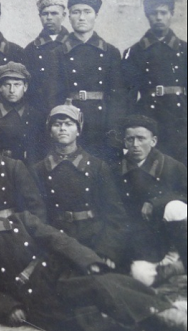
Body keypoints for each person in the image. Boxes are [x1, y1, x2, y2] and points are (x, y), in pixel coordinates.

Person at [0, 186, 187, 331]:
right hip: (34, 297)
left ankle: (172, 317)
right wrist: (8, 308)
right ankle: (156, 316)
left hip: (58, 273)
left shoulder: (19, 221)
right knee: (90, 322)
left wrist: (88, 260)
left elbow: (58, 239)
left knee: (104, 285)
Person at [31, 101, 129, 270]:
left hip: (94, 241)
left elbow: (116, 215)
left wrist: (107, 251)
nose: (62, 128)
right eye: (57, 124)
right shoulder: (39, 170)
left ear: (78, 130)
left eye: (69, 124)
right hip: (58, 242)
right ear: (50, 132)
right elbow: (38, 217)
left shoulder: (97, 167)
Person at [115, 115, 187, 285]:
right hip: (145, 242)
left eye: (141, 139)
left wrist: (157, 203)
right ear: (124, 142)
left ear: (153, 141)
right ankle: (174, 268)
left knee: (176, 207)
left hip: (174, 237)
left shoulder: (172, 166)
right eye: (130, 139)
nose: (135, 144)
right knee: (140, 275)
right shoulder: (115, 170)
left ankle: (181, 260)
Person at [56, 0, 124, 162]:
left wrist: (114, 129)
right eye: (76, 12)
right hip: (71, 121)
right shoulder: (57, 52)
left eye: (87, 12)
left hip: (102, 122)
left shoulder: (110, 52)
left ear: (96, 15)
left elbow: (118, 96)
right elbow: (53, 95)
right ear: (69, 16)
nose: (81, 17)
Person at [122, 0, 187, 163]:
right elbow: (128, 95)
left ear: (171, 14)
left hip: (181, 115)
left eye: (163, 13)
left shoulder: (185, 50)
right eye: (153, 13)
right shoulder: (134, 52)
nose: (158, 17)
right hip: (149, 115)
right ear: (147, 15)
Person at [0, 61, 45, 163]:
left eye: (17, 85)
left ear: (25, 87)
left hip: (24, 166)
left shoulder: (34, 114)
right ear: (0, 87)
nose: (12, 90)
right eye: (7, 85)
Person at [23, 0, 70, 115]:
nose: (49, 18)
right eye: (45, 14)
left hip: (69, 110)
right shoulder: (31, 49)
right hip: (39, 110)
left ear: (64, 15)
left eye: (54, 13)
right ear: (40, 16)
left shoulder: (74, 45)